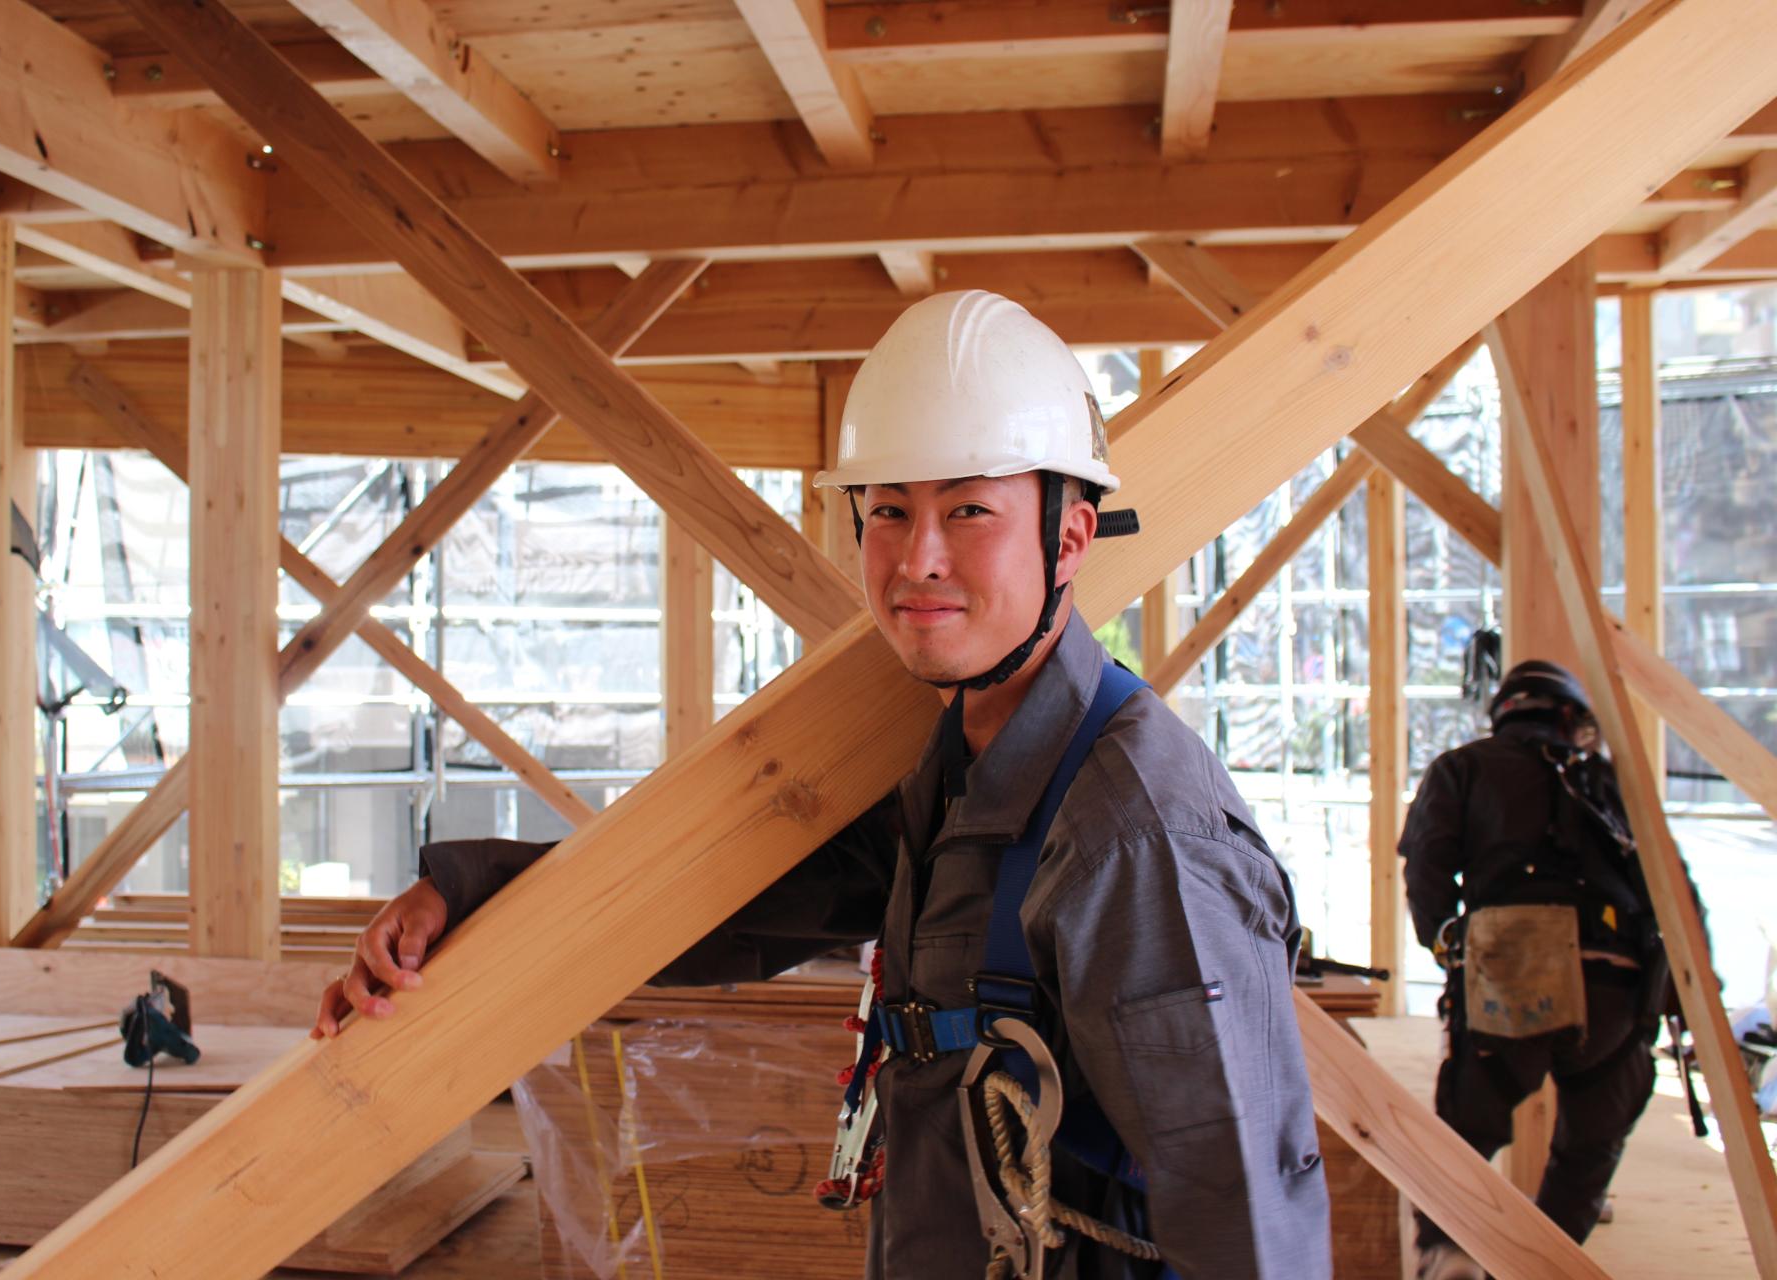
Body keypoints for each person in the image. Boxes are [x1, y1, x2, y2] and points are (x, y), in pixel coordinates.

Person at [313, 291, 1331, 1279]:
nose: (917, 557)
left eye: (970, 508)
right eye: (889, 509)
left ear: (1069, 535)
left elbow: (1243, 1210)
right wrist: (475, 892)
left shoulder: (1128, 831)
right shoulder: (962, 777)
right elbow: (728, 902)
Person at [1401, 659, 1672, 1280]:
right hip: (1617, 980)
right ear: (1571, 716)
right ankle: (1544, 1262)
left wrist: (1447, 943)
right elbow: (1673, 893)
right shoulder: (1607, 779)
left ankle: (1451, 1256)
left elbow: (1427, 862)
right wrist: (1675, 997)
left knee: (1468, 1128)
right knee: (1590, 1145)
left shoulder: (1464, 767)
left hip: (1513, 965)